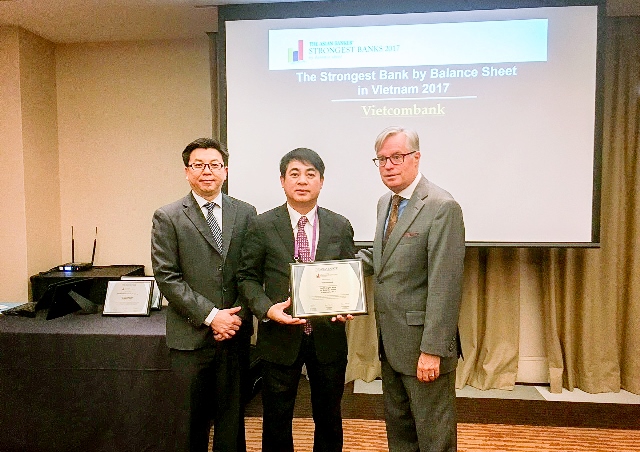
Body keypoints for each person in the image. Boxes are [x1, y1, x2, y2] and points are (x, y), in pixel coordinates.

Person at [237, 148, 356, 452]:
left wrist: (346, 306)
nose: (302, 181)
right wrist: (267, 309)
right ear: (282, 180)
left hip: (327, 336)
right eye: (294, 174)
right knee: (276, 420)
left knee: (329, 417)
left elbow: (348, 275)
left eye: (310, 174)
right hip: (279, 337)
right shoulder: (262, 225)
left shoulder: (340, 225)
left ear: (321, 181)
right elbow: (247, 277)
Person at [358, 126, 465, 452]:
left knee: (434, 438)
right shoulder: (385, 203)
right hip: (392, 344)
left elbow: (445, 285)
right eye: (381, 159)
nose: (388, 165)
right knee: (401, 434)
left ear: (416, 158)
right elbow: (383, 258)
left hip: (423, 348)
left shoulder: (442, 206)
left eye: (397, 157)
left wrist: (433, 350)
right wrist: (329, 270)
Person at [151, 137, 257, 452]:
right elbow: (167, 277)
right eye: (198, 165)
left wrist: (235, 318)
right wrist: (212, 316)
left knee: (231, 421)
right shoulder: (168, 216)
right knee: (190, 424)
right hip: (190, 336)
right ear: (187, 171)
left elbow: (251, 272)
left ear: (225, 171)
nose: (206, 171)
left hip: (234, 334)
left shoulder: (246, 213)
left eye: (214, 165)